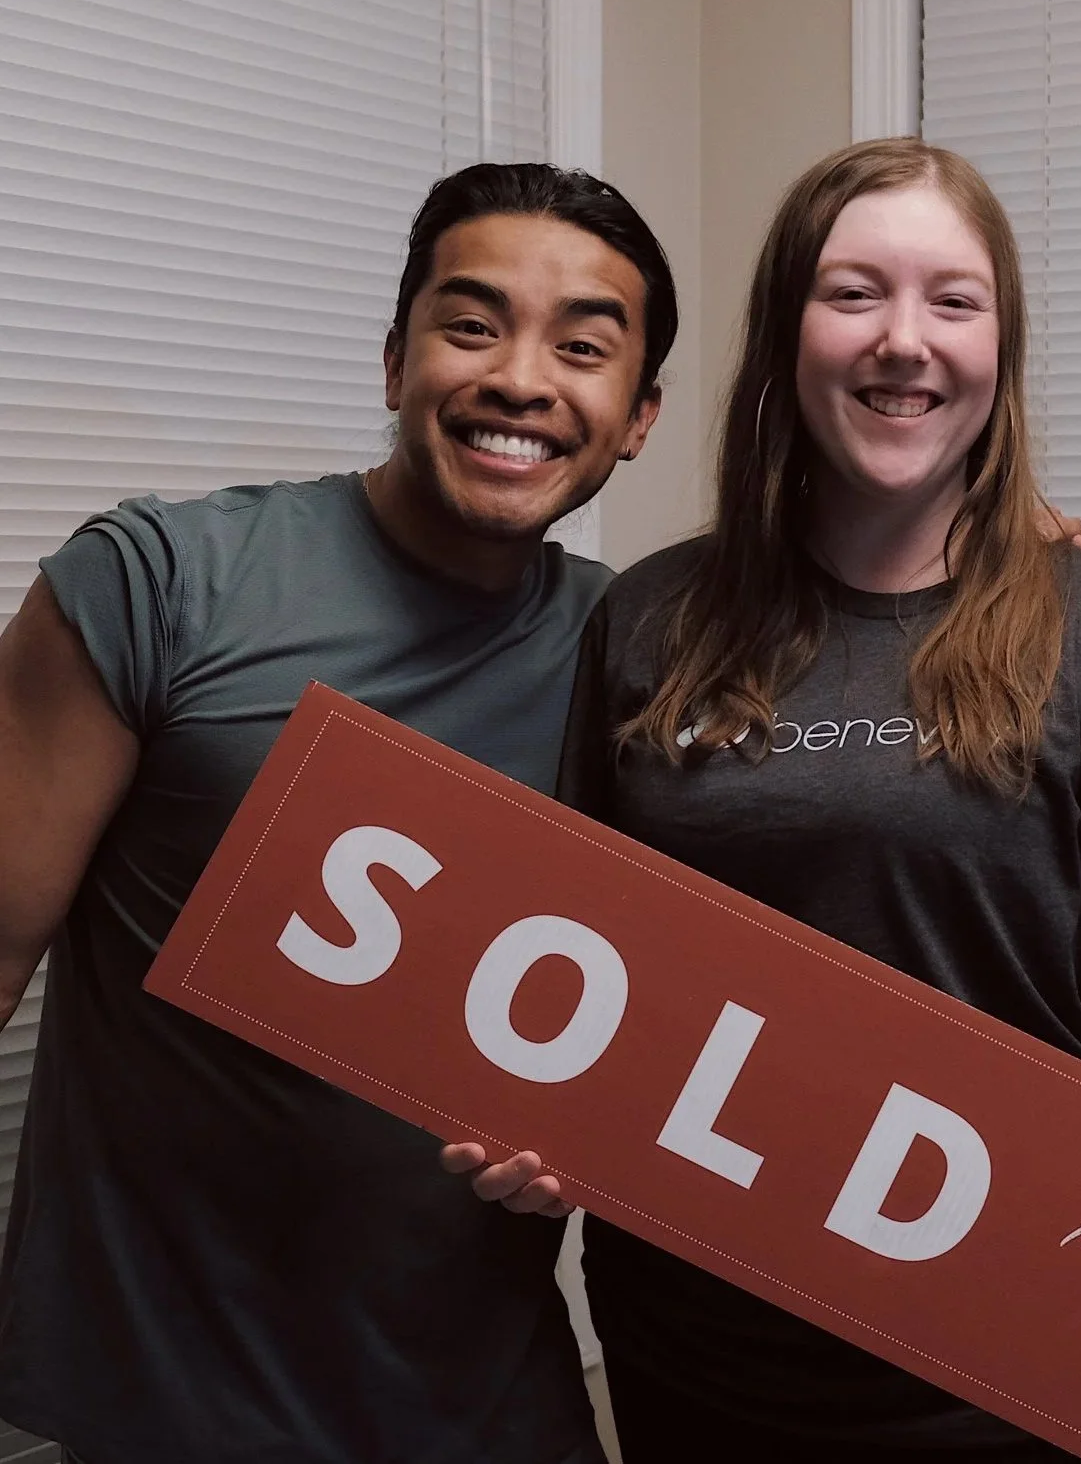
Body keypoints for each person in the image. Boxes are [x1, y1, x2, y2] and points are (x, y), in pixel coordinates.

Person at [449, 137, 1081, 1460]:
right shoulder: (649, 619)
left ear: (998, 347)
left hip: (1009, 1376)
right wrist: (532, 1138)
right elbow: (585, 985)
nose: (904, 341)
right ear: (784, 333)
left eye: (952, 300)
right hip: (689, 1365)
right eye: (852, 294)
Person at [0, 162, 678, 1463]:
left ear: (636, 415)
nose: (521, 380)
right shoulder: (154, 588)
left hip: (493, 1404)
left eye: (581, 348)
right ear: (393, 360)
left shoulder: (642, 652)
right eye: (470, 325)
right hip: (174, 1414)